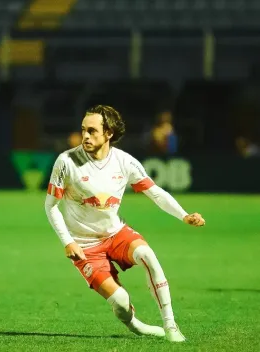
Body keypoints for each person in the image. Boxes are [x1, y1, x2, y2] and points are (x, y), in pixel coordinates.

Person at [44, 105, 205, 342]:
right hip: (85, 247)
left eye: (92, 131)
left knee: (148, 255)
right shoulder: (66, 161)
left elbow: (155, 193)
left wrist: (184, 215)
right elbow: (50, 205)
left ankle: (171, 326)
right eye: (83, 130)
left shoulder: (125, 162)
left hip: (115, 233)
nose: (85, 136)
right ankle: (136, 325)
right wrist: (68, 242)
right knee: (120, 303)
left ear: (108, 133)